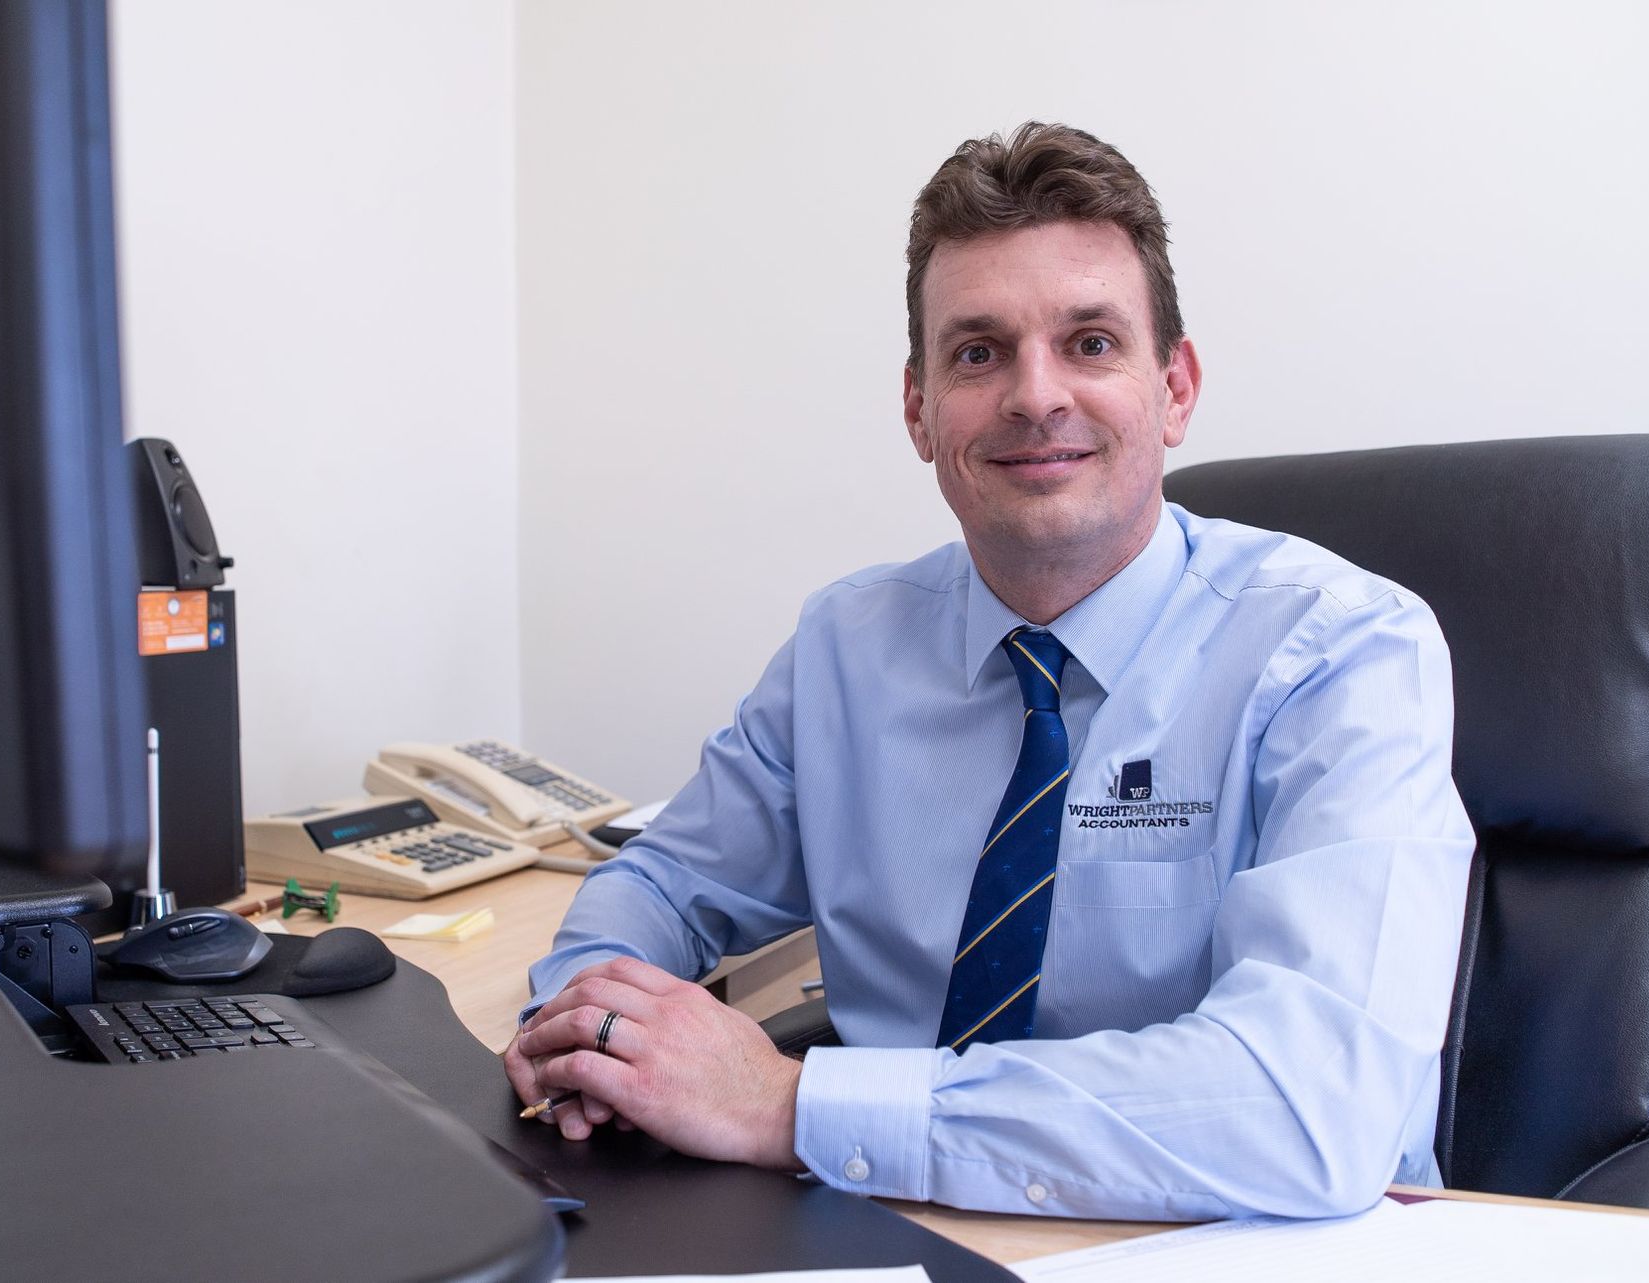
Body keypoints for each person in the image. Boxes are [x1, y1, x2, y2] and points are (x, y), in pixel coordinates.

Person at [504, 122, 1475, 1221]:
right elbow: (662, 882)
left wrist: (789, 1102)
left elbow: (1304, 1110)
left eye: (1091, 343)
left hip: (1242, 1237)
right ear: (919, 408)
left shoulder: (1345, 651)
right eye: (978, 352)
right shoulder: (846, 649)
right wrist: (593, 1027)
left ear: (1177, 387)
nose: (1034, 395)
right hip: (893, 1228)